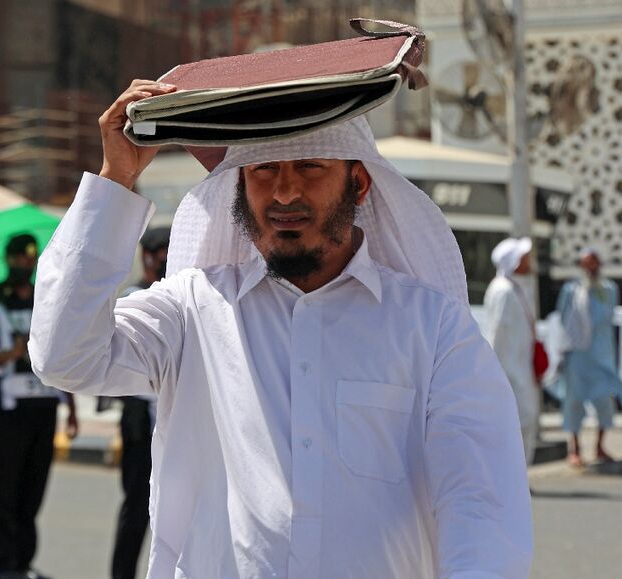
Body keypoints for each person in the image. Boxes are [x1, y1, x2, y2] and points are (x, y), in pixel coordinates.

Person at [30, 79, 533, 578]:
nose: (285, 190)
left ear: (358, 183)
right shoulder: (194, 308)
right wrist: (116, 179)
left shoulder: (432, 327)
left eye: (310, 166)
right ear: (239, 187)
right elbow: (66, 357)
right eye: (264, 169)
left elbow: (481, 505)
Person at [0, 234, 79, 579]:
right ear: (8, 260)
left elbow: (62, 355)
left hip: (42, 410)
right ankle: (0, 564)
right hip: (2, 412)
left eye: (30, 261)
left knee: (32, 489)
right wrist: (8, 355)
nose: (24, 266)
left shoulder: (46, 302)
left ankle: (22, 562)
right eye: (19, 260)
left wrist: (71, 407)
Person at [110, 226, 169, 579]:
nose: (164, 259)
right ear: (147, 256)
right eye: (159, 252)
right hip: (141, 424)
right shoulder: (134, 297)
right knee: (136, 509)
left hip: (175, 422)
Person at [554, 248, 622, 467]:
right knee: (574, 401)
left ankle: (600, 446)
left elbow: (607, 316)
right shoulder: (570, 289)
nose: (591, 267)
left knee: (605, 400)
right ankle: (574, 448)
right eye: (587, 263)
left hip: (602, 354)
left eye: (594, 262)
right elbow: (563, 318)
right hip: (578, 356)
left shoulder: (609, 289)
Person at [483, 237, 541, 466]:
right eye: (524, 257)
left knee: (524, 421)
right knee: (517, 422)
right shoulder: (503, 292)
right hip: (509, 372)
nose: (528, 261)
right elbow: (496, 333)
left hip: (519, 369)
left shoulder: (513, 288)